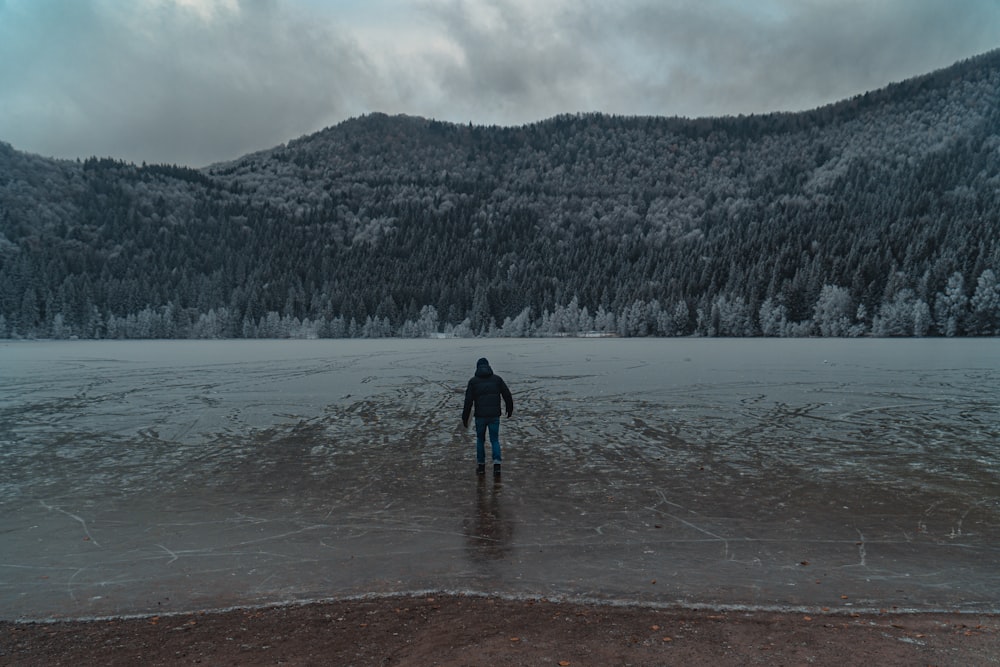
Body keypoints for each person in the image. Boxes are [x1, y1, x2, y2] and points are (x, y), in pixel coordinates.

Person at [462, 357, 514, 476]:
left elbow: (468, 401)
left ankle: (481, 466)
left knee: (480, 440)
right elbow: (507, 395)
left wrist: (465, 417)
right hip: (494, 415)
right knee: (494, 440)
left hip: (480, 416)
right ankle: (497, 466)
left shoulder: (473, 382)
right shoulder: (497, 380)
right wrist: (509, 408)